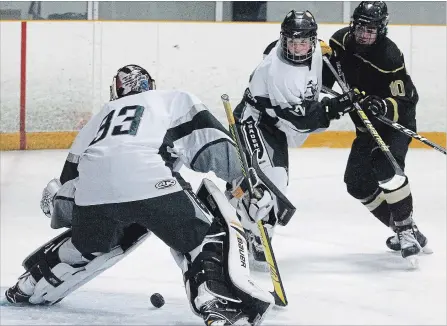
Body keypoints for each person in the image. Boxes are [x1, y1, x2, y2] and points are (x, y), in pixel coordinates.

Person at [4, 64, 275, 325]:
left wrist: (63, 209)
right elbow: (215, 151)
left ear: (117, 91)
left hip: (93, 197)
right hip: (152, 185)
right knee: (205, 233)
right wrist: (245, 183)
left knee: (88, 244)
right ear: (150, 86)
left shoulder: (101, 116)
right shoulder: (171, 99)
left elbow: (69, 182)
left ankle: (28, 285)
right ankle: (216, 303)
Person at [228, 10, 362, 269]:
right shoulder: (279, 72)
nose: (297, 47)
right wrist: (335, 107)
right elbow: (299, 120)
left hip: (276, 125)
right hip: (254, 121)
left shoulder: (313, 51)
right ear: (284, 39)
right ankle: (243, 209)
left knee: (276, 184)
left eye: (303, 41)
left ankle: (253, 216)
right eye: (291, 41)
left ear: (313, 40)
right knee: (271, 181)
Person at [322, 1, 431, 263]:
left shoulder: (389, 56)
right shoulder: (340, 41)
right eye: (360, 27)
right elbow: (328, 78)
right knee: (357, 184)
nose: (364, 34)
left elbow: (406, 100)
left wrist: (382, 104)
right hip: (366, 126)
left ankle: (405, 230)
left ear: (382, 30)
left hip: (394, 123)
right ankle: (406, 229)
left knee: (386, 167)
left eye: (371, 30)